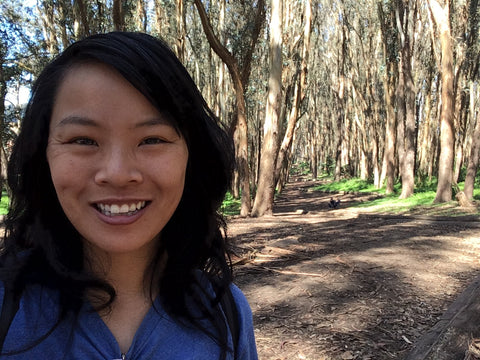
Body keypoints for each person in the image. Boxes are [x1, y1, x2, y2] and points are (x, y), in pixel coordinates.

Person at [0, 32, 257, 360]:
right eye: (83, 140)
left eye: (152, 140)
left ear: (191, 157)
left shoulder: (227, 313)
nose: (118, 173)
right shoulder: (6, 307)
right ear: (43, 155)